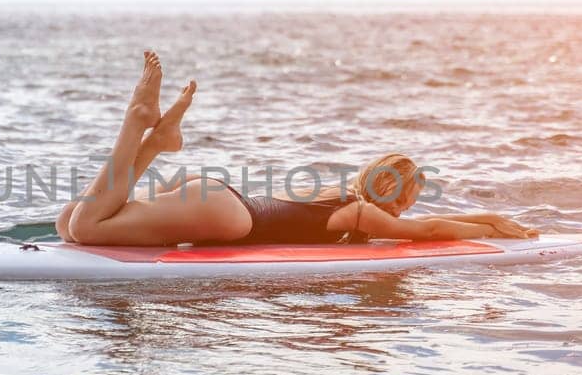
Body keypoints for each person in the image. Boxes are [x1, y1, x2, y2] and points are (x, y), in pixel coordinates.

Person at [55, 51, 538, 247]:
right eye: (408, 196)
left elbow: (422, 221)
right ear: (391, 190)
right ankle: (137, 124)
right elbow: (425, 230)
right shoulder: (359, 212)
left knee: (69, 224)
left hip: (220, 197)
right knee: (87, 226)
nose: (409, 207)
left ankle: (158, 143)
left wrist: (483, 220)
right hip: (228, 218)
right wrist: (491, 225)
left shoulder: (339, 191)